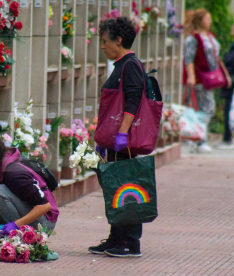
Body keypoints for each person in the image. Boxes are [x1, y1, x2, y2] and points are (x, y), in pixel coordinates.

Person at [89, 17, 145, 258]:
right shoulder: (122, 64)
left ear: (118, 40)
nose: (102, 46)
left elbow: (133, 101)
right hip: (113, 142)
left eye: (104, 41)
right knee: (116, 189)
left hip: (123, 142)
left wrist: (122, 133)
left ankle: (130, 243)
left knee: (126, 189)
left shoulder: (130, 65)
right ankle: (116, 237)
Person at [183, 8, 232, 153]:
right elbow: (189, 58)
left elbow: (216, 58)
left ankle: (199, 137)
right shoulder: (194, 38)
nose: (210, 21)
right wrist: (191, 76)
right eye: (207, 19)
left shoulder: (209, 36)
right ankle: (199, 139)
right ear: (200, 21)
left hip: (210, 77)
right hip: (200, 78)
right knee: (208, 109)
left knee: (208, 108)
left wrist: (225, 75)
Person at [217, 24, 234, 149]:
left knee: (230, 109)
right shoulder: (232, 45)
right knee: (228, 108)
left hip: (232, 81)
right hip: (229, 83)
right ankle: (227, 136)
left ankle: (228, 137)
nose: (231, 28)